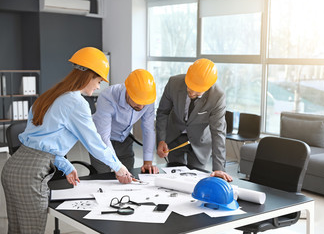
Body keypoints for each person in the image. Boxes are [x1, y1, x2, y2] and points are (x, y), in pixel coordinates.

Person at [1, 47, 133, 234]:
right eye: (98, 81)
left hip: (13, 168)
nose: (98, 87)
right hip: (31, 175)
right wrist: (119, 167)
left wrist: (65, 165)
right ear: (88, 76)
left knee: (15, 231)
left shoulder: (49, 95)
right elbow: (94, 144)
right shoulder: (76, 103)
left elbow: (39, 143)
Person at [156, 58, 233, 182]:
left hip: (200, 141)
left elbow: (218, 132)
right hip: (175, 136)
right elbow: (162, 112)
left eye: (197, 92)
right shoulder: (174, 83)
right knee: (174, 178)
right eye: (189, 88)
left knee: (195, 180)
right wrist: (161, 140)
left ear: (208, 87)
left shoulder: (217, 96)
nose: (191, 93)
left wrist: (219, 168)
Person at [90, 69, 159, 174]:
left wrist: (148, 162)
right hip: (101, 142)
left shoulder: (147, 98)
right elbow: (103, 136)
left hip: (124, 140)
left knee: (127, 179)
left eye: (144, 103)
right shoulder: (108, 97)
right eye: (138, 101)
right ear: (128, 91)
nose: (141, 107)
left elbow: (148, 129)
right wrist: (118, 167)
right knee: (103, 178)